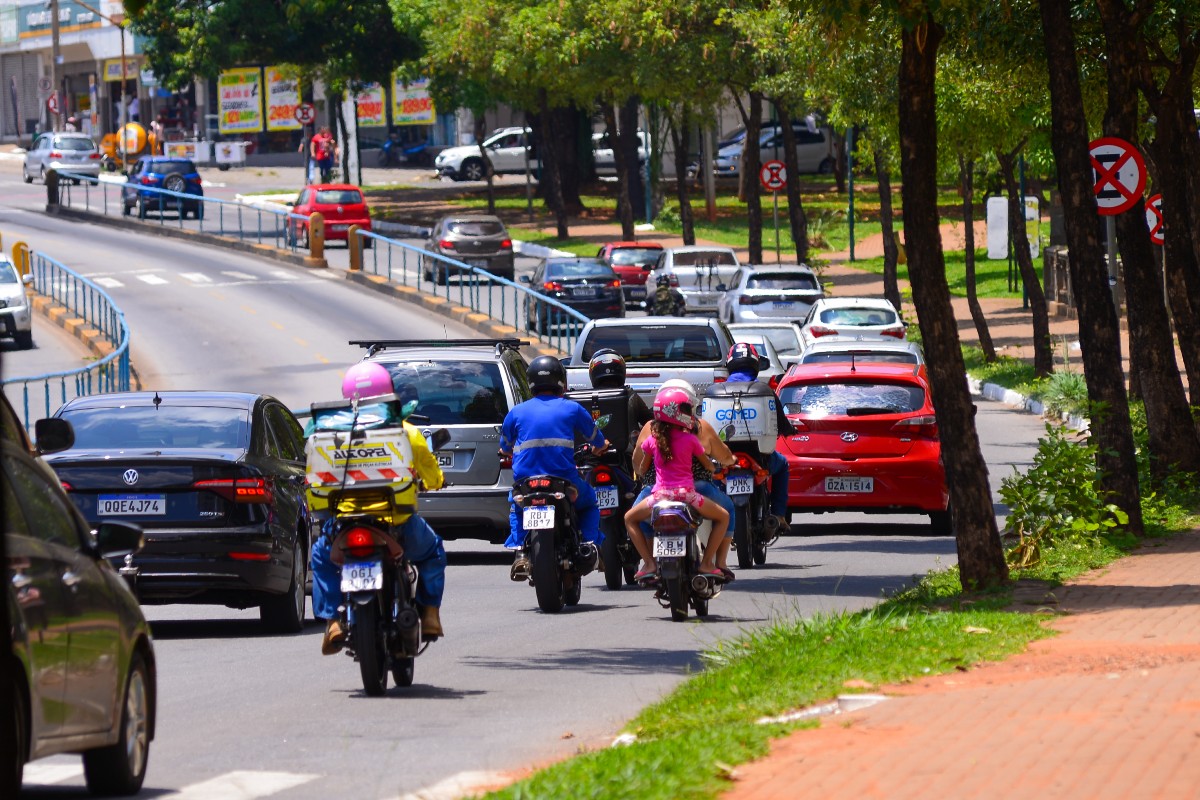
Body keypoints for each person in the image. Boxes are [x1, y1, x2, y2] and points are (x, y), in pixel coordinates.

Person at [310, 362, 448, 655]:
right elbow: (432, 476)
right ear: (389, 392)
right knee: (433, 552)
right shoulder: (406, 432)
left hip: (344, 525)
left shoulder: (328, 434)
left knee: (320, 557)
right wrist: (436, 481)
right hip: (396, 523)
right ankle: (430, 615)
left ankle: (333, 621)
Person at [500, 355, 608, 581]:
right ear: (561, 381)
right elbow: (596, 439)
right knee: (589, 504)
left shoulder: (516, 412)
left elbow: (505, 446)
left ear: (531, 382)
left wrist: (508, 452)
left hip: (526, 483)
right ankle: (589, 545)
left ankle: (521, 552)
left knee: (517, 508)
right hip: (564, 481)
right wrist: (601, 445)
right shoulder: (572, 408)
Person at [630, 379, 738, 579]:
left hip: (656, 492)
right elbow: (719, 458)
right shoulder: (697, 430)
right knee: (728, 511)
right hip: (693, 491)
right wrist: (726, 462)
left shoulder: (650, 431)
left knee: (637, 518)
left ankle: (649, 562)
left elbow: (638, 464)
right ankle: (717, 562)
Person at [724, 342, 795, 533]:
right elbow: (781, 422)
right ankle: (779, 515)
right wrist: (790, 430)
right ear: (755, 365)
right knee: (783, 464)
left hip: (725, 459)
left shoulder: (717, 392)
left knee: (713, 477)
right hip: (760, 458)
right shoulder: (765, 391)